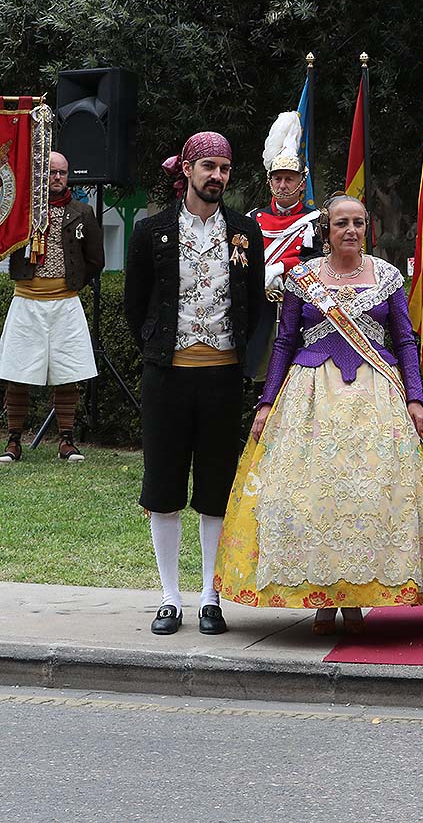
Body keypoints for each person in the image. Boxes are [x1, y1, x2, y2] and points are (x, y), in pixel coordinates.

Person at [215, 195, 423, 634]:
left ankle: (354, 598)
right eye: (340, 224)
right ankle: (320, 597)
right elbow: (284, 342)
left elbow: (405, 340)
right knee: (311, 496)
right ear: (326, 230)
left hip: (375, 397)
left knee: (367, 497)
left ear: (366, 227)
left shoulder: (387, 277)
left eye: (357, 223)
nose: (349, 231)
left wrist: (415, 398)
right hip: (309, 397)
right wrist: (266, 401)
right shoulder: (303, 279)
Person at [124, 131, 265, 636]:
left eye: (225, 168)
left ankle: (210, 595)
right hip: (167, 377)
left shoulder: (245, 231)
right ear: (186, 169)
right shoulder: (151, 231)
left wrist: (232, 356)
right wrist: (161, 350)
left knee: (215, 488)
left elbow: (253, 306)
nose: (218, 176)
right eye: (208, 166)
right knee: (162, 486)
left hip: (223, 379)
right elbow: (133, 306)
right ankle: (168, 597)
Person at [0, 151, 103, 463]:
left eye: (63, 173)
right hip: (26, 300)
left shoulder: (82, 212)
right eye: (51, 172)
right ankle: (14, 440)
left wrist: (70, 285)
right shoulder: (20, 211)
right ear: (40, 175)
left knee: (68, 373)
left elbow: (95, 260)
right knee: (16, 373)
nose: (57, 178)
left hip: (65, 303)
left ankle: (67, 441)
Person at [243, 111, 321, 379]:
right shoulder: (252, 219)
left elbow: (317, 261)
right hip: (258, 310)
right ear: (269, 181)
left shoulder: (315, 220)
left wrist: (281, 267)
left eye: (290, 179)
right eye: (278, 179)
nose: (283, 185)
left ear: (302, 183)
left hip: (298, 309)